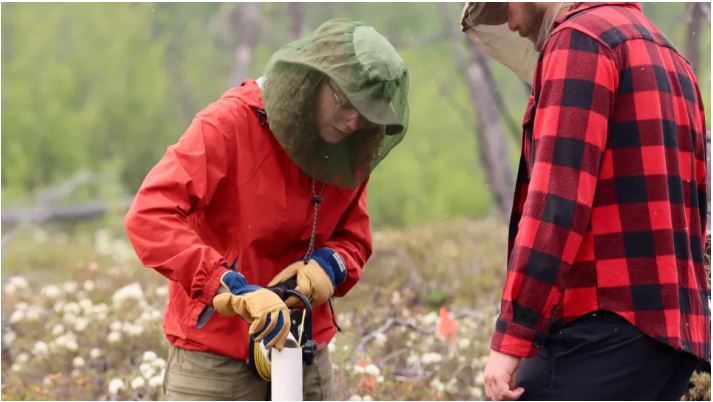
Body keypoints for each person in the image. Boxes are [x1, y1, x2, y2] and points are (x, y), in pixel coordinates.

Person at [124, 18, 408, 400]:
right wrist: (229, 287)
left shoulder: (352, 142)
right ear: (312, 82)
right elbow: (149, 215)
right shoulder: (226, 125)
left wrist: (327, 268)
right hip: (215, 362)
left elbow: (353, 239)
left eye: (368, 113)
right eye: (346, 104)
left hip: (305, 353)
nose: (355, 121)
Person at [461, 2, 709, 400]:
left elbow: (555, 208)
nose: (509, 22)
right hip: (671, 345)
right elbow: (695, 207)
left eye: (504, 4)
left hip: (600, 331)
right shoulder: (671, 57)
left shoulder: (580, 42)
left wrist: (511, 339)